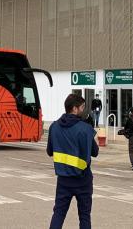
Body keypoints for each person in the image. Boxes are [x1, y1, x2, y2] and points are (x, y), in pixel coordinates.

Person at [47, 94, 98, 229]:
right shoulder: (85, 128)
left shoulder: (54, 126)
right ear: (75, 109)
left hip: (63, 180)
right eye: (82, 107)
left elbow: (49, 151)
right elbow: (95, 152)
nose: (83, 110)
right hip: (83, 180)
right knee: (84, 216)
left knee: (58, 213)